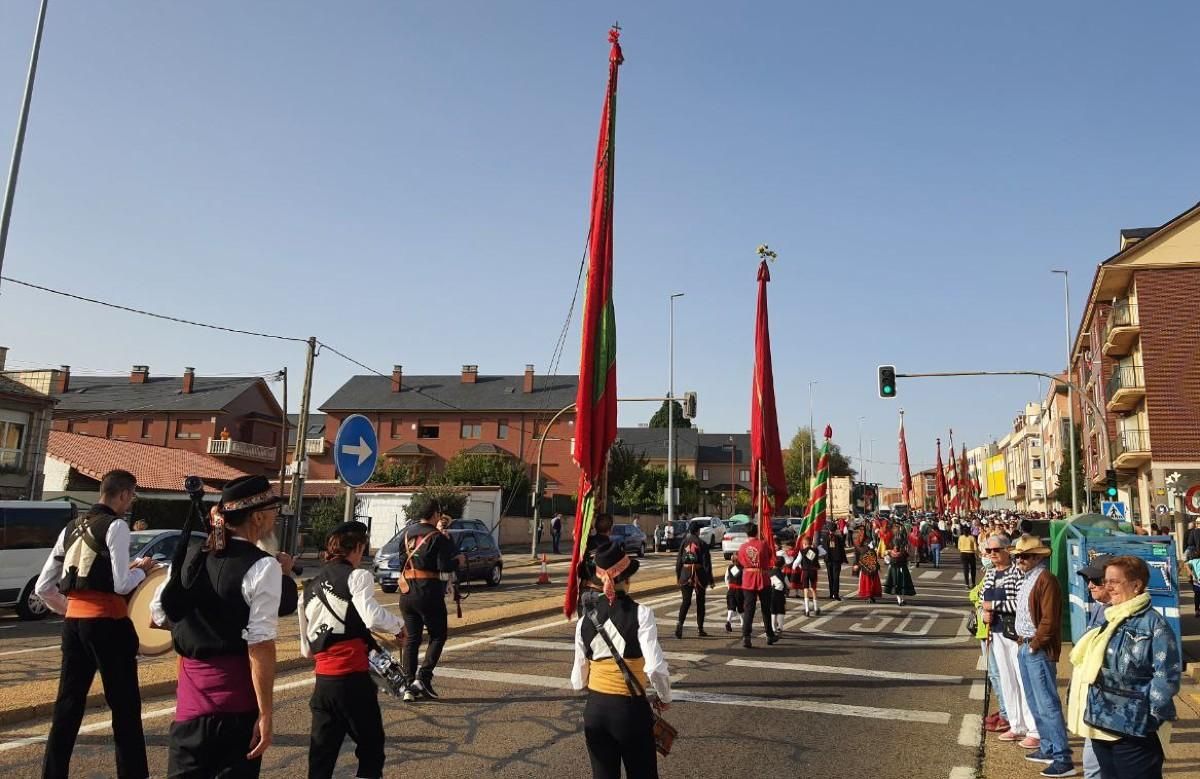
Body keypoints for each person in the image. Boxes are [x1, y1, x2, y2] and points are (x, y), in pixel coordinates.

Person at [152, 474, 293, 778]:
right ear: (257, 517)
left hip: (190, 706)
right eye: (273, 512)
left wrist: (202, 625)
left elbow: (159, 615)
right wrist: (266, 714)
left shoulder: (189, 556)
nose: (274, 520)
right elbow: (261, 645)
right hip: (236, 708)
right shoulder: (263, 566)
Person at [35, 469, 153, 779]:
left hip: (74, 625)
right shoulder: (116, 526)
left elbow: (44, 587)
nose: (130, 503)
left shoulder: (70, 528)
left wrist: (72, 609)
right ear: (124, 494)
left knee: (67, 706)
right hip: (108, 625)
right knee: (125, 708)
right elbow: (121, 584)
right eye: (132, 496)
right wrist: (142, 570)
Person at [300, 521, 405, 779]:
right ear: (357, 548)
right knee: (371, 749)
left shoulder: (309, 587)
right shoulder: (357, 576)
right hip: (352, 681)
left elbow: (306, 650)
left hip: (323, 684)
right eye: (363, 549)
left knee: (321, 757)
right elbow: (371, 617)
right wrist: (398, 626)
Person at [1069, 555, 1181, 779]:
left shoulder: (1153, 624)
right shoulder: (1110, 617)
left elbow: (1167, 677)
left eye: (1114, 582)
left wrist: (1147, 720)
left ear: (1136, 585)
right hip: (1101, 722)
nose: (1107, 587)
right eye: (1106, 581)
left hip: (1134, 731)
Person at [571, 542, 670, 779]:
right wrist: (664, 697)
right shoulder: (641, 613)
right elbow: (655, 667)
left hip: (595, 709)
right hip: (629, 710)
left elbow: (578, 677)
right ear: (626, 578)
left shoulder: (584, 620)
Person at [1011, 534, 1073, 777]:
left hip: (1036, 648)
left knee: (1047, 703)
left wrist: (1036, 644)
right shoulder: (1029, 577)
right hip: (1025, 645)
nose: (1020, 560)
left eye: (1025, 556)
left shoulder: (1046, 580)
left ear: (1037, 557)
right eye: (1018, 556)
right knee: (1034, 701)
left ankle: (1062, 756)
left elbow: (1049, 619)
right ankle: (1047, 747)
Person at [395, 500, 464, 702]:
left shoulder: (407, 534)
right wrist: (457, 561)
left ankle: (407, 685)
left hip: (407, 594)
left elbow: (401, 562)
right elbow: (444, 568)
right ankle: (423, 678)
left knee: (413, 639)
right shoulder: (437, 536)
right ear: (435, 514)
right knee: (438, 635)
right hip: (429, 593)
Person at [1067, 554, 1112, 779]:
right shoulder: (1099, 607)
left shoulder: (1121, 614)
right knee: (1092, 764)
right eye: (1088, 580)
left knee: (1097, 767)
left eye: (1096, 580)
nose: (1090, 585)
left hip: (1109, 705)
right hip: (1093, 702)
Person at [736, 523, 778, 648]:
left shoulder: (742, 547)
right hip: (763, 577)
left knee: (749, 609)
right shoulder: (763, 544)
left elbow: (741, 561)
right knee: (766, 608)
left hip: (748, 579)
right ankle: (769, 635)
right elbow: (769, 556)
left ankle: (746, 636)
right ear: (756, 532)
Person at [674, 520, 714, 638]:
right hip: (699, 574)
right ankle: (700, 628)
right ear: (698, 531)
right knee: (700, 602)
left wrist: (678, 576)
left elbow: (678, 561)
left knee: (686, 601)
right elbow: (707, 564)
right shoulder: (702, 543)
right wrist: (710, 579)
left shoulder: (683, 542)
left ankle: (679, 624)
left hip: (685, 573)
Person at [852, 528, 882, 604]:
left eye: (862, 531)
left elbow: (872, 551)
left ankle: (871, 596)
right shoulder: (857, 542)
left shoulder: (869, 541)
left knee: (871, 581)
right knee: (867, 581)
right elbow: (856, 554)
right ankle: (869, 596)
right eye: (860, 532)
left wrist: (874, 562)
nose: (861, 533)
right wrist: (856, 564)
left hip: (870, 562)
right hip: (864, 563)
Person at [794, 534, 821, 616]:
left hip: (805, 571)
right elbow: (822, 553)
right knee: (814, 588)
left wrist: (795, 567)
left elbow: (796, 562)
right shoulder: (816, 550)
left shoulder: (802, 551)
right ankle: (816, 608)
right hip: (813, 571)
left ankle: (807, 610)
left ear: (804, 544)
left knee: (805, 589)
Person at [883, 538, 915, 606]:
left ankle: (900, 600)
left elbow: (887, 560)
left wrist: (889, 561)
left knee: (896, 585)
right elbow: (909, 560)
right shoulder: (903, 552)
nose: (896, 547)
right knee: (903, 585)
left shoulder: (891, 552)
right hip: (902, 570)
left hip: (894, 570)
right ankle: (901, 600)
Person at [824, 525, 847, 601]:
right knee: (836, 577)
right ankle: (835, 594)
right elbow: (842, 549)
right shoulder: (838, 538)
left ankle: (831, 594)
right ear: (835, 530)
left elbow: (824, 549)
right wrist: (844, 559)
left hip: (828, 560)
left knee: (830, 577)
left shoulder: (826, 538)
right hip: (836, 560)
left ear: (829, 529)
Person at [723, 561, 743, 633]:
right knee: (741, 607)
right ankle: (743, 623)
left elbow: (726, 578)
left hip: (731, 589)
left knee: (731, 607)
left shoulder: (730, 567)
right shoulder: (743, 568)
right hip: (740, 590)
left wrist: (728, 586)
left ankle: (728, 621)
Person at [1187, 549, 1200, 617]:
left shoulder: (1191, 561)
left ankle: (1197, 610)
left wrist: (1191, 574)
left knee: (1197, 596)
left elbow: (1186, 565)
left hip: (1196, 581)